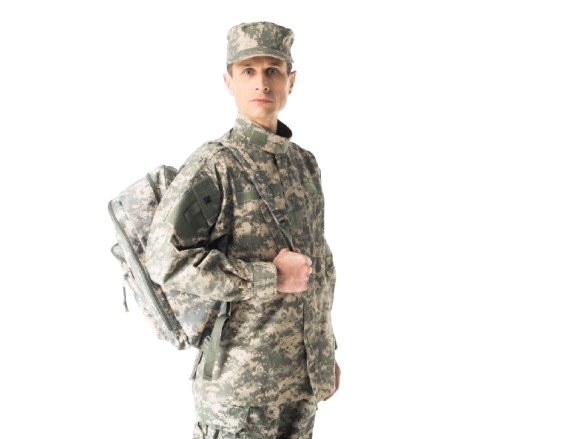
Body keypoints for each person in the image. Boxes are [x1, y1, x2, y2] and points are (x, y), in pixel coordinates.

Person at [146, 20, 340, 438]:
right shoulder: (216, 163)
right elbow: (165, 260)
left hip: (300, 387)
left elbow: (318, 266)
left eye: (273, 70)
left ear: (291, 81)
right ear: (228, 82)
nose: (262, 83)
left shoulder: (305, 165)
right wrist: (269, 277)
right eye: (248, 71)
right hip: (240, 395)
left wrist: (324, 354)